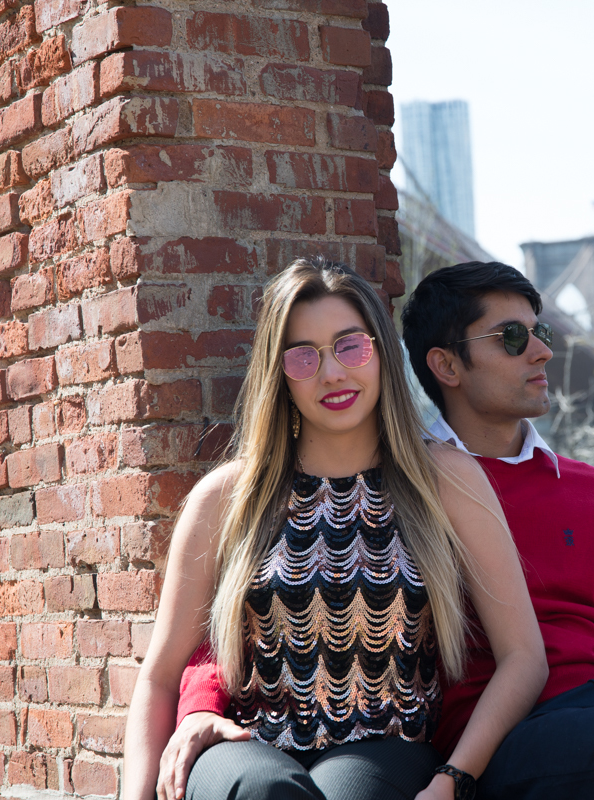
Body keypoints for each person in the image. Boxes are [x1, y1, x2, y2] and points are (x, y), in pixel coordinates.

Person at [166, 262, 594, 800]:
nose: (544, 352)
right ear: (444, 364)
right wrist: (198, 703)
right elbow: (263, 611)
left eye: (540, 331)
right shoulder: (424, 488)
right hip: (526, 729)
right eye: (513, 338)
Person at [122, 259, 547, 800]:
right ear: (278, 373)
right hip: (244, 746)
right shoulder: (225, 497)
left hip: (388, 748)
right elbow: (159, 677)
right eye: (303, 356)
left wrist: (454, 778)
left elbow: (523, 658)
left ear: (381, 353)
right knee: (267, 791)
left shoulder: (448, 480)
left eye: (351, 346)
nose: (332, 373)